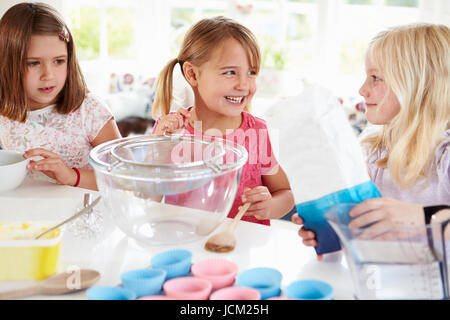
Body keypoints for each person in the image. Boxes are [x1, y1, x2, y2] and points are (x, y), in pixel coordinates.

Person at [293, 23, 450, 254]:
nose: (362, 90)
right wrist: (330, 227)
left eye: (376, 77)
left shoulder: (444, 155)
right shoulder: (372, 148)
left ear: (420, 85)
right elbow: (363, 227)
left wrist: (420, 217)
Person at [151, 16, 294, 225]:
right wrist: (159, 148)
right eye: (230, 72)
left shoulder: (255, 132)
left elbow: (285, 192)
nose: (244, 84)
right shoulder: (169, 134)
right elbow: (147, 200)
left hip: (241, 249)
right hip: (184, 243)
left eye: (251, 72)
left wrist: (270, 206)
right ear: (192, 74)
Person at [0, 3, 121, 190]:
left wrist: (73, 176)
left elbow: (125, 178)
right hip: (26, 217)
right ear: (8, 64)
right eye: (33, 63)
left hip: (83, 214)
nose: (48, 75)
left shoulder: (90, 111)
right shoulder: (4, 112)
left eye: (58, 61)